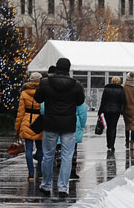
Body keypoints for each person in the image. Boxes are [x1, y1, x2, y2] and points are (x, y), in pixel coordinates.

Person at [34, 57, 85, 195]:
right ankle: (63, 187)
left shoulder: (45, 83)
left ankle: (46, 185)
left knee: (48, 155)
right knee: (67, 156)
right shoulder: (76, 85)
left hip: (50, 123)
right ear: (68, 69)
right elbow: (80, 101)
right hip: (68, 125)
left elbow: (38, 98)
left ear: (56, 68)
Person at [14, 72, 43, 180]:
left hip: (27, 121)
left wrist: (17, 128)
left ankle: (31, 173)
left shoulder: (24, 93)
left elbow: (20, 112)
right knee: (40, 149)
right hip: (40, 122)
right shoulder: (43, 92)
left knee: (28, 149)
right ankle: (40, 172)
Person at [99, 76, 126, 153]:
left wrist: (100, 110)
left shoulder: (107, 88)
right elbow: (123, 101)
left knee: (108, 127)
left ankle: (108, 143)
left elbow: (103, 100)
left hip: (106, 110)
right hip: (116, 111)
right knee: (113, 127)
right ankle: (112, 144)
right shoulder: (121, 89)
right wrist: (122, 110)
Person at [122, 72, 134, 150]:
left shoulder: (124, 87)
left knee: (127, 126)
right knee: (133, 126)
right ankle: (132, 143)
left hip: (126, 109)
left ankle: (127, 141)